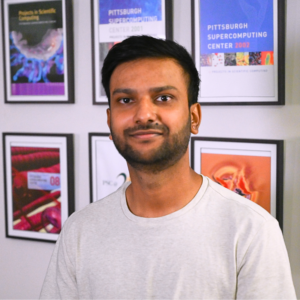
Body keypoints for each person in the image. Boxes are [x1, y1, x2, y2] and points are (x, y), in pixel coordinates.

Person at [40, 36, 296, 299]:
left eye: (163, 97)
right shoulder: (80, 231)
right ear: (110, 121)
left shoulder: (250, 230)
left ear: (194, 118)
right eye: (126, 100)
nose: (144, 114)